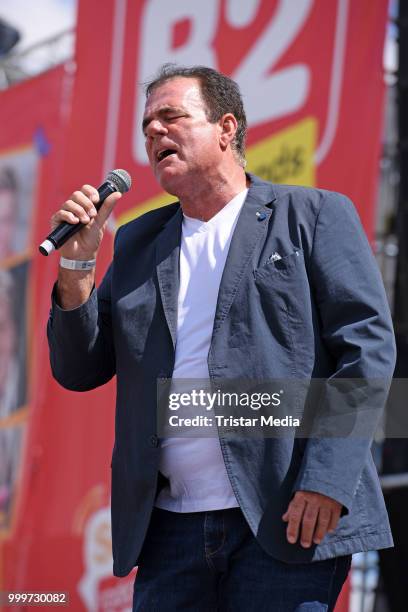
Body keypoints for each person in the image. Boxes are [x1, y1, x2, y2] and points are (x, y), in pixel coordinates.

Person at [47, 64, 396, 611]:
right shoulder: (140, 242)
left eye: (171, 117)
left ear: (226, 128)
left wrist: (327, 479)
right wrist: (78, 265)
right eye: (147, 127)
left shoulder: (312, 215)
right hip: (168, 535)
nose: (154, 133)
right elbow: (79, 368)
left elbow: (366, 350)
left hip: (283, 516)